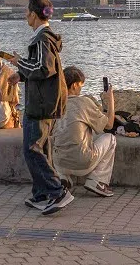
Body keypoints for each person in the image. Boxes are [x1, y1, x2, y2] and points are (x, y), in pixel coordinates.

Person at [3, 0, 72, 216]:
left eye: (26, 13)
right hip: (47, 100)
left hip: (41, 104)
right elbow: (43, 69)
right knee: (41, 147)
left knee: (32, 149)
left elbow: (44, 69)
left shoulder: (42, 39)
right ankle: (42, 194)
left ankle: (57, 191)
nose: (25, 16)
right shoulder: (46, 38)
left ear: (34, 14)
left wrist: (18, 62)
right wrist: (20, 75)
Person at [51, 66, 116, 198]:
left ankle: (63, 178)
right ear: (74, 85)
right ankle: (97, 181)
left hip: (59, 162)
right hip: (82, 163)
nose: (81, 89)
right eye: (80, 85)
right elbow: (109, 125)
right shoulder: (84, 102)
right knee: (110, 138)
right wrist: (110, 101)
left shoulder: (56, 104)